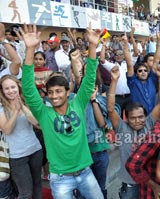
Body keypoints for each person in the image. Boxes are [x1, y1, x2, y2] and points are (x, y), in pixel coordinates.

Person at [20, 24, 104, 199]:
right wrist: (29, 50)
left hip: (85, 173)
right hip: (60, 179)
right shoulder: (44, 114)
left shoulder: (78, 104)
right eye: (50, 93)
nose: (54, 96)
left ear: (67, 92)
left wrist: (93, 46)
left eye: (58, 91)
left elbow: (89, 80)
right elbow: (28, 88)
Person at [107, 63, 160, 199]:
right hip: (130, 184)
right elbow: (110, 109)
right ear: (126, 119)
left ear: (146, 116)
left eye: (141, 117)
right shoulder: (122, 128)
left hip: (149, 183)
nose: (138, 120)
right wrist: (114, 81)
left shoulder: (149, 123)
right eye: (133, 118)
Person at [0, 75, 43, 199]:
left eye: (13, 87)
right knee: (25, 192)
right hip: (16, 156)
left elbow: (38, 124)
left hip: (35, 150)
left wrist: (22, 107)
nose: (11, 91)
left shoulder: (27, 102)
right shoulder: (1, 108)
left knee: (37, 186)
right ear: (2, 91)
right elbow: (7, 130)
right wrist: (15, 111)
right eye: (6, 88)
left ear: (18, 87)